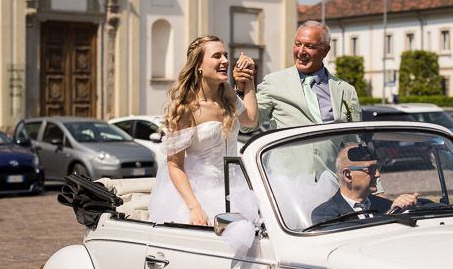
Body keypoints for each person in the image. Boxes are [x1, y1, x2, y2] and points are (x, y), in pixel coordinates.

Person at [148, 36, 258, 226]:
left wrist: (249, 80)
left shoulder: (228, 95)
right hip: (199, 193)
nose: (225, 60)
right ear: (199, 65)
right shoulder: (186, 109)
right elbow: (175, 165)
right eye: (217, 56)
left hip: (235, 187)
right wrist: (194, 206)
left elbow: (251, 119)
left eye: (225, 55)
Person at [240, 20, 361, 131]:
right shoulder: (273, 82)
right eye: (298, 44)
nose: (301, 51)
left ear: (325, 51)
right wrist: (242, 89)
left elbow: (355, 139)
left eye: (309, 46)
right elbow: (245, 126)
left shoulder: (346, 91)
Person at [311, 144, 419, 223]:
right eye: (371, 169)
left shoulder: (386, 205)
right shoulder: (325, 214)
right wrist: (389, 215)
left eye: (378, 168)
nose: (377, 174)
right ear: (347, 174)